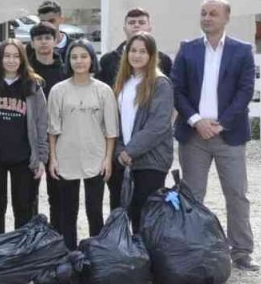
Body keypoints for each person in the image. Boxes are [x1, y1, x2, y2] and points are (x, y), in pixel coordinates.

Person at [171, 0, 259, 271]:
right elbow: (177, 88)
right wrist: (197, 120)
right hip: (193, 135)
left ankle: (242, 252)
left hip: (228, 134)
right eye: (203, 13)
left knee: (236, 194)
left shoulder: (242, 50)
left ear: (226, 18)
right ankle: (190, 247)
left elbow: (245, 91)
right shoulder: (187, 50)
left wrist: (220, 123)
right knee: (192, 195)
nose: (207, 18)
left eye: (213, 13)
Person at [47, 40, 118, 250]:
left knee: (94, 210)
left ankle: (95, 255)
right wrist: (53, 158)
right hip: (66, 156)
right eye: (74, 57)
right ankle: (70, 256)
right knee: (67, 212)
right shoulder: (58, 91)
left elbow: (111, 131)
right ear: (68, 60)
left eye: (84, 56)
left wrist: (108, 159)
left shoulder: (104, 90)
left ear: (92, 59)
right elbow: (53, 129)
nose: (79, 61)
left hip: (95, 157)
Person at [0, 39, 48, 236]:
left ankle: (22, 255)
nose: (11, 60)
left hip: (24, 158)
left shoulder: (33, 85)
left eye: (16, 56)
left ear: (23, 59)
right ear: (0, 59)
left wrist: (41, 157)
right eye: (7, 55)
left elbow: (42, 124)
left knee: (23, 209)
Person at [109, 34, 174, 234]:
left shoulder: (160, 83)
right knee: (122, 212)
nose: (137, 55)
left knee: (144, 217)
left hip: (150, 160)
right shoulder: (124, 82)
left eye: (142, 51)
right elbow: (116, 120)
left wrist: (131, 151)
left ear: (152, 55)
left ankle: (147, 261)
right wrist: (120, 150)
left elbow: (158, 125)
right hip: (124, 158)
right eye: (133, 50)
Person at [27, 20, 69, 224]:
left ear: (55, 41)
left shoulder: (65, 70)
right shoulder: (25, 72)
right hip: (30, 137)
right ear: (32, 43)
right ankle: (32, 239)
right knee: (28, 195)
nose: (43, 43)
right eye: (38, 39)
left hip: (60, 138)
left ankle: (58, 238)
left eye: (47, 38)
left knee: (59, 194)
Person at [97, 7, 174, 87]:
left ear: (149, 28)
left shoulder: (163, 60)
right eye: (131, 22)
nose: (136, 25)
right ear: (124, 29)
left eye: (141, 22)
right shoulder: (108, 60)